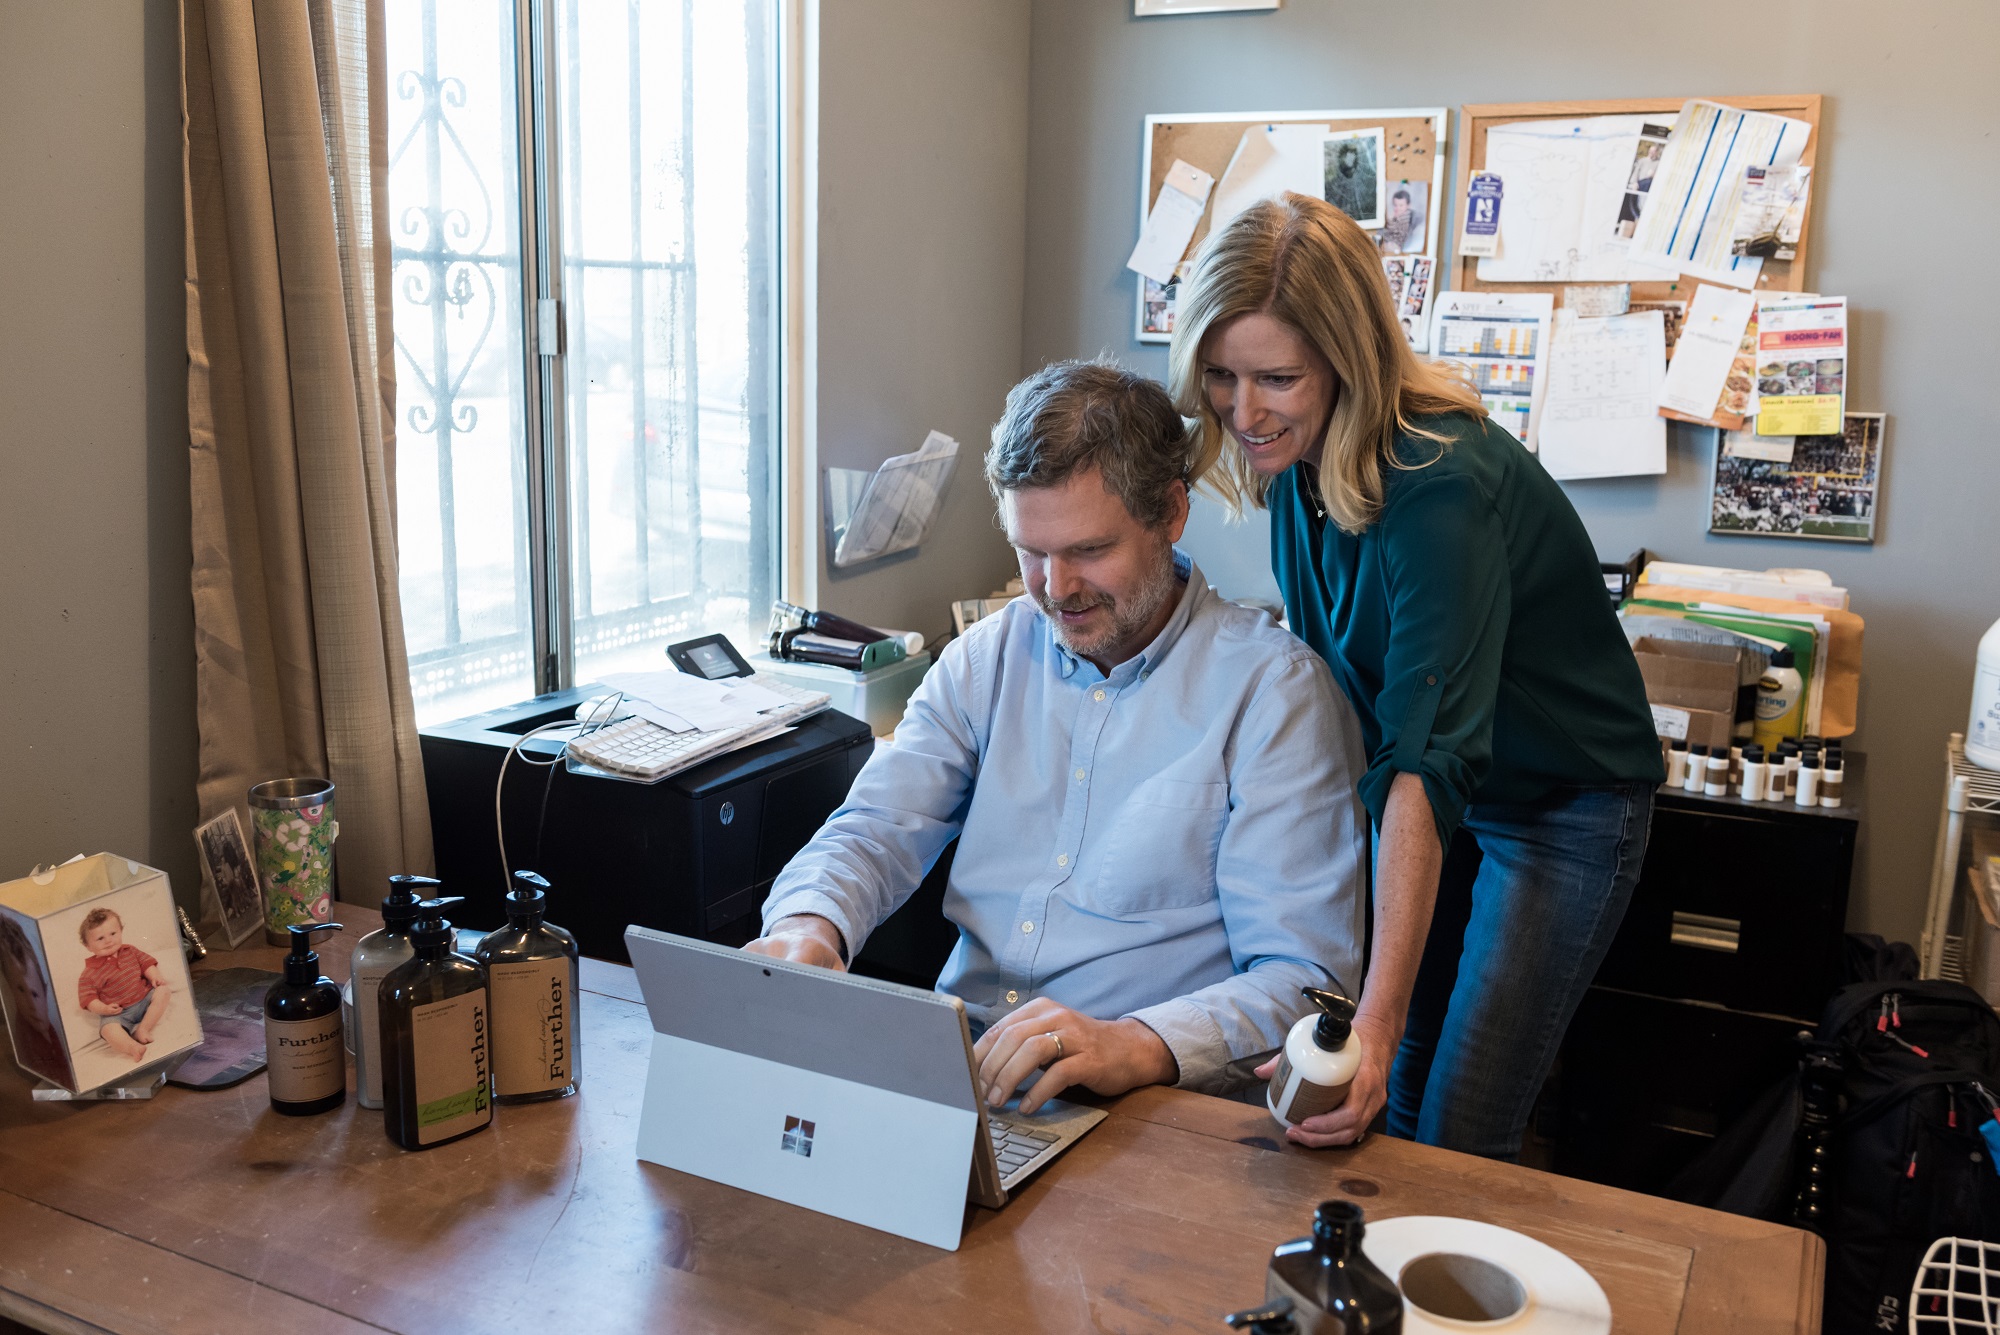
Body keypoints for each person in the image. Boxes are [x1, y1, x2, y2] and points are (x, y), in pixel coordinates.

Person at [1168, 193, 1665, 1161]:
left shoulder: (1438, 488)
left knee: (1453, 1126)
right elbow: (1340, 713)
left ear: (1345, 363)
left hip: (1563, 809)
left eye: (1275, 377)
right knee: (1385, 1109)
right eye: (1222, 376)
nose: (1243, 411)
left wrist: (1375, 1023)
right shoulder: (1297, 470)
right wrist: (1346, 1004)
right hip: (1447, 802)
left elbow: (1415, 769)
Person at [748, 358, 1368, 1113]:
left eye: (1088, 550)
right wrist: (812, 926)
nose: (1056, 586)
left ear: (1171, 514)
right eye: (1031, 551)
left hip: (1149, 1103)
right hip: (964, 1075)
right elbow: (876, 827)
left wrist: (1133, 1042)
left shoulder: (1274, 695)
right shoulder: (988, 656)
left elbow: (1304, 980)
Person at [75, 907, 175, 1062]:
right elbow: (88, 1000)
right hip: (118, 1013)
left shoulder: (130, 951)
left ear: (121, 931)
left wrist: (155, 977)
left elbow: (146, 964)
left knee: (163, 991)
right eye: (100, 938)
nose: (108, 940)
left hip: (143, 999)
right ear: (88, 946)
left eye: (113, 934)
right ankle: (132, 1047)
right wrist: (104, 1009)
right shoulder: (89, 973)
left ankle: (143, 1030)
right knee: (108, 1030)